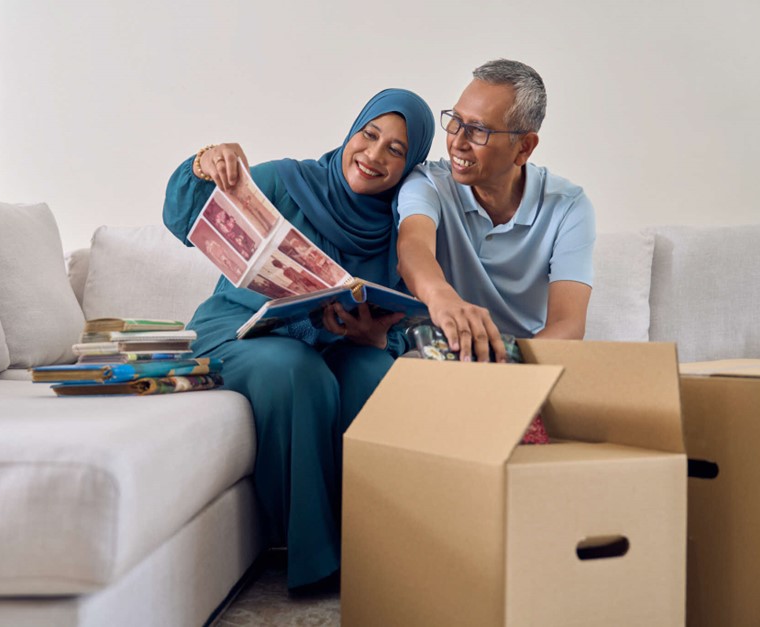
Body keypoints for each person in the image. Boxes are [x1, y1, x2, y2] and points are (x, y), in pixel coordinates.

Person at [162, 89, 434, 591]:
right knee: (295, 370)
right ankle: (315, 561)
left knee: (376, 374)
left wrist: (377, 340)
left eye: (395, 150)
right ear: (352, 131)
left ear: (409, 164)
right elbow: (182, 219)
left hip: (337, 345)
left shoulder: (401, 231)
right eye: (369, 135)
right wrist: (204, 162)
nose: (374, 154)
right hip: (238, 333)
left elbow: (401, 323)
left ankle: (377, 552)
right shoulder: (286, 182)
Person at [397, 59, 596, 362]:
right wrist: (442, 297)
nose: (457, 142)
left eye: (478, 130)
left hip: (525, 360)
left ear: (524, 147)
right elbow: (413, 246)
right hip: (443, 355)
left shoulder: (568, 207)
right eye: (455, 121)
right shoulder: (428, 183)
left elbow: (567, 326)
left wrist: (511, 372)